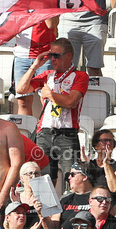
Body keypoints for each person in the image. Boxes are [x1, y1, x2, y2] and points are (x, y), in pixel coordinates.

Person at [17, 38, 88, 186]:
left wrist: (50, 95)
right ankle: (46, 208)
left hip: (67, 133)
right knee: (44, 178)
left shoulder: (80, 76)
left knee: (73, 178)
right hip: (45, 132)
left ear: (69, 56)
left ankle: (70, 206)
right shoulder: (47, 75)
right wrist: (35, 65)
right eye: (51, 55)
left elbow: (71, 102)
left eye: (57, 55)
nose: (52, 59)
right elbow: (21, 89)